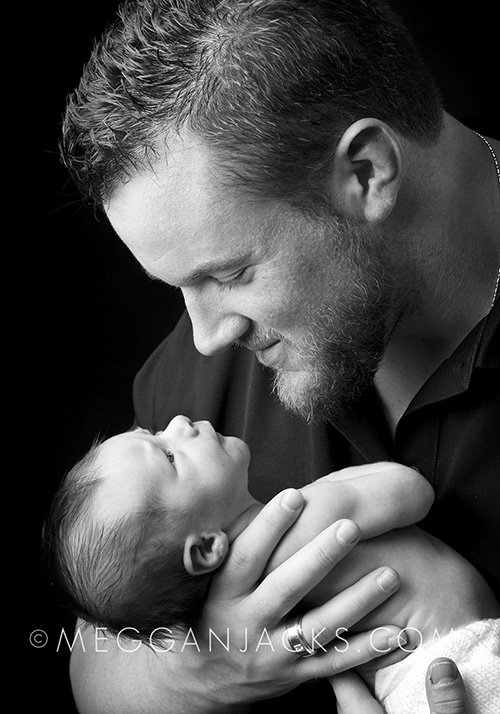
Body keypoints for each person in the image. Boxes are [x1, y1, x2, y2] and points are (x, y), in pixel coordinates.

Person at [59, 0, 499, 711]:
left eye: (227, 274)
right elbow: (95, 654)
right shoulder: (202, 383)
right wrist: (201, 670)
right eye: (178, 287)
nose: (203, 337)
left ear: (366, 172)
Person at [45, 415, 499, 713]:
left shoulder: (239, 614)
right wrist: (327, 493)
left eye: (154, 430)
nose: (178, 423)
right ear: (205, 549)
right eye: (168, 455)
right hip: (462, 670)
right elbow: (412, 491)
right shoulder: (305, 524)